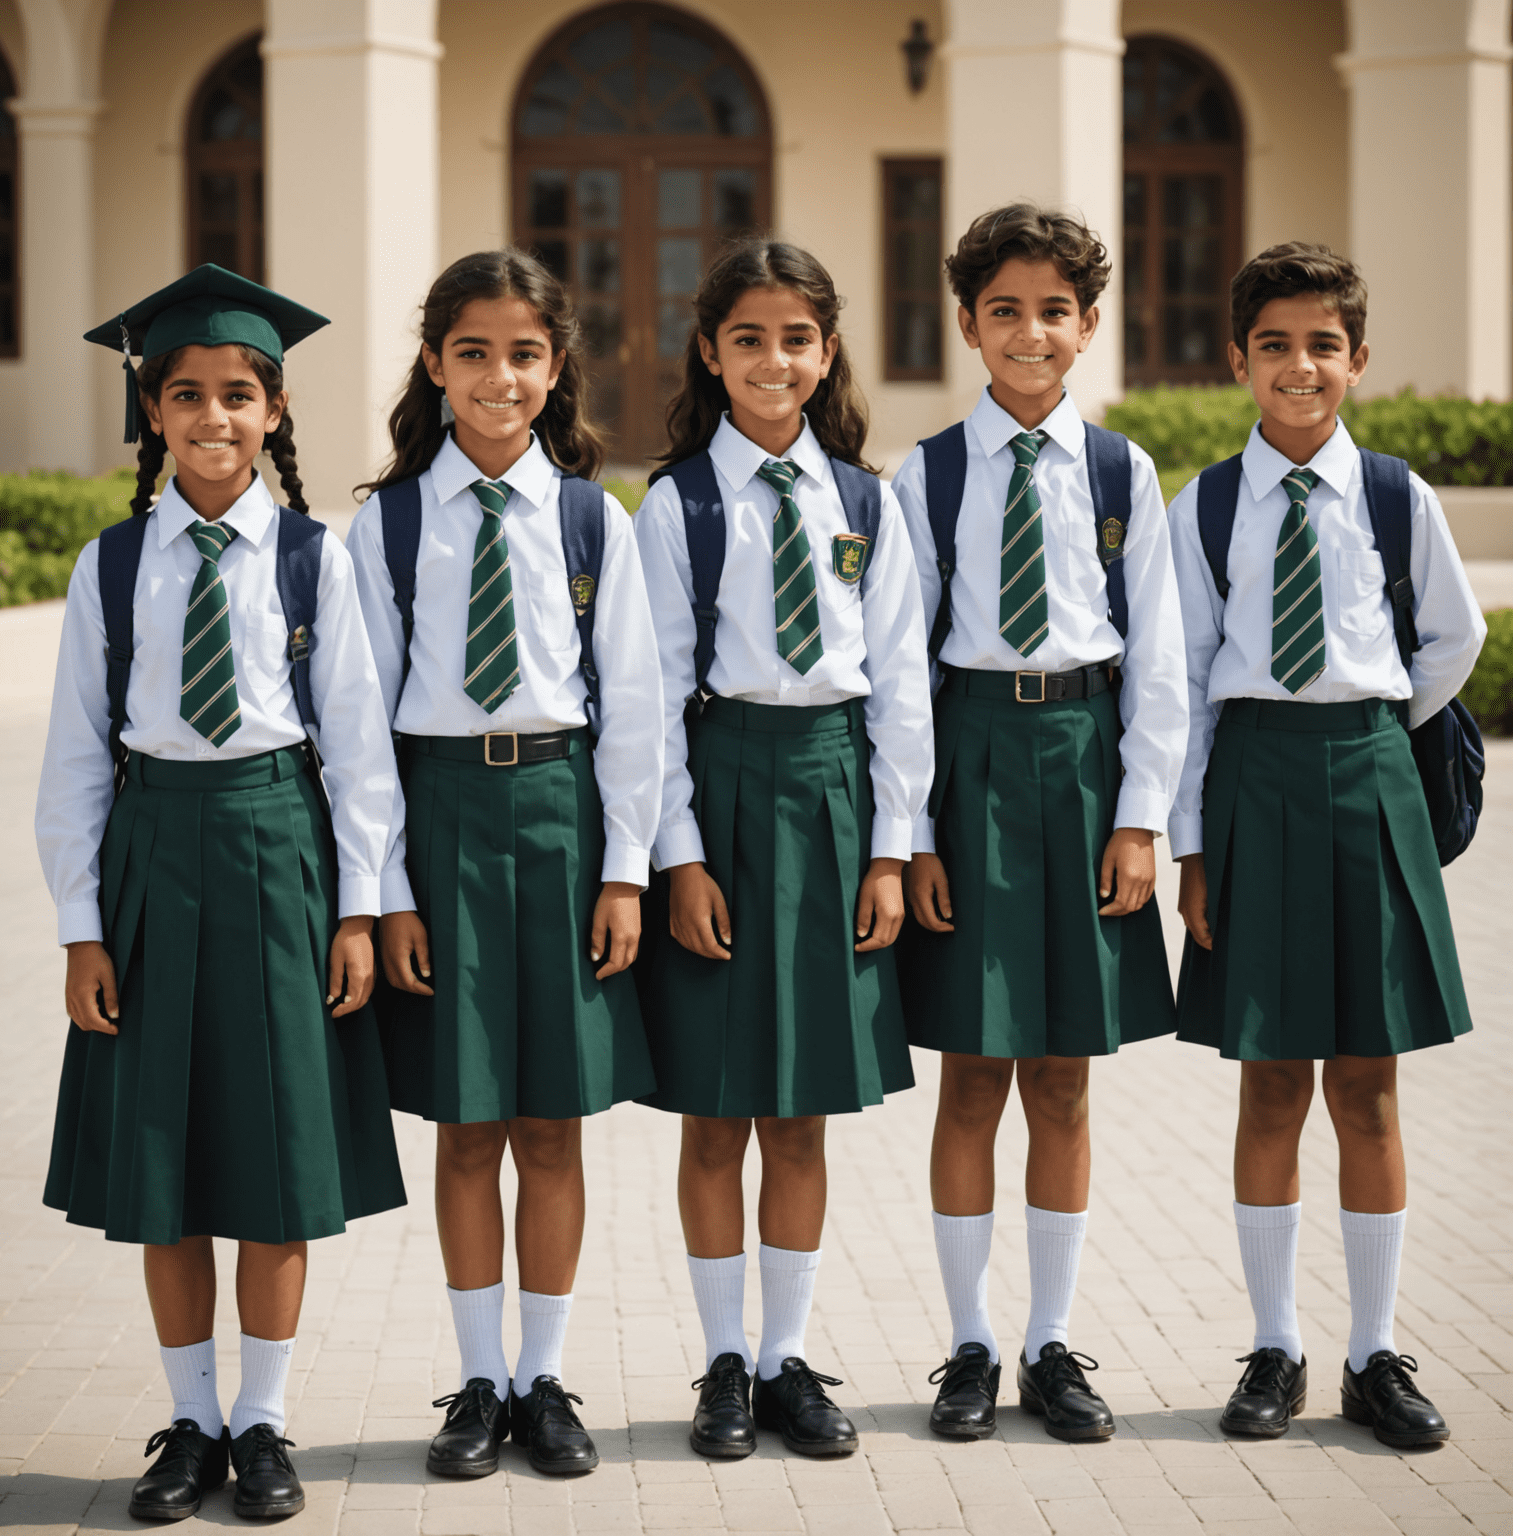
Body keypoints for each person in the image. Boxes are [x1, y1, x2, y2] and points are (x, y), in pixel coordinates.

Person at [39, 265, 407, 1520]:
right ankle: (189, 1421)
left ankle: (264, 1422)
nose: (213, 416)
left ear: (278, 407)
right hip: (153, 862)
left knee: (273, 1153)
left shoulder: (315, 560)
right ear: (152, 413)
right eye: (186, 394)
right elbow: (78, 758)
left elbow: (358, 753)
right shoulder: (113, 565)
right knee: (166, 1156)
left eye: (238, 394)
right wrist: (83, 929)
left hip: (276, 857)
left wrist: (358, 907)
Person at [347, 249, 664, 1479]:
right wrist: (387, 890)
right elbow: (362, 720)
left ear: (556, 367)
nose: (498, 377)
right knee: (467, 1125)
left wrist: (626, 868)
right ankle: (478, 1381)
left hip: (558, 813)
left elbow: (632, 707)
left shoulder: (593, 518)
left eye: (523, 353)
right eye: (472, 352)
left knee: (552, 1126)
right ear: (435, 366)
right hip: (440, 819)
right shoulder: (390, 521)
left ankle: (546, 1377)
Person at [1169, 242, 1484, 1446]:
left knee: (1368, 1088)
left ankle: (1374, 1354)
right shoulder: (1204, 505)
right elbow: (1188, 680)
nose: (1300, 367)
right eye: (1275, 345)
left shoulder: (1396, 495)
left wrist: (1370, 722)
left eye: (1324, 345)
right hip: (1252, 782)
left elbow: (1449, 641)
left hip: (1365, 777)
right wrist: (1194, 848)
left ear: (1358, 359)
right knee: (1268, 1084)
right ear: (1238, 358)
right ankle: (1274, 1347)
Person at [893, 203, 1188, 1443]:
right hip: (970, 762)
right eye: (1003, 310)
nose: (1029, 333)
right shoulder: (930, 472)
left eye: (1053, 311)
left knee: (1062, 1080)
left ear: (1088, 326)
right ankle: (966, 1345)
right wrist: (911, 832)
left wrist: (1140, 821)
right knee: (970, 1076)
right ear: (968, 323)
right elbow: (899, 667)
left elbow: (1162, 657)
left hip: (1080, 762)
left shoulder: (1122, 472)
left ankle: (1050, 1340)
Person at [633, 238, 933, 1460]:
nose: (773, 359)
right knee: (716, 1111)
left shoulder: (868, 501)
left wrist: (892, 847)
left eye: (796, 337)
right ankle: (717, 1362)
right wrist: (678, 855)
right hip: (721, 785)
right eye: (747, 337)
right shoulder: (675, 506)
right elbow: (647, 697)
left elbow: (902, 679)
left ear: (827, 352)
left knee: (801, 1110)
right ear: (710, 352)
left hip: (829, 798)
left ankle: (785, 1358)